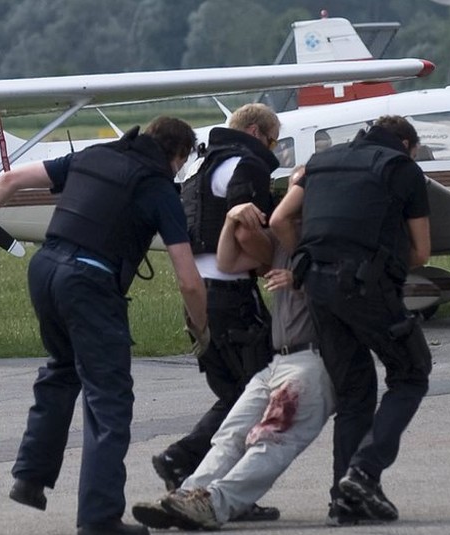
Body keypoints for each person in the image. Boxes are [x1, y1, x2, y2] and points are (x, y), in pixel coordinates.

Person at [0, 117, 208, 535]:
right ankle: (99, 518)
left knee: (63, 369)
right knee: (109, 402)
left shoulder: (95, 155)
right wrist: (203, 330)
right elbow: (187, 278)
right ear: (177, 155)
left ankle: (31, 477)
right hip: (89, 282)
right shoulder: (158, 186)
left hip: (45, 268)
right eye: (181, 163)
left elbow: (10, 179)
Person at [132, 172, 340, 530]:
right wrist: (230, 219)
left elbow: (352, 292)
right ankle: (188, 496)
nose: (286, 197)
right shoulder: (286, 244)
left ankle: (216, 504)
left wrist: (302, 279)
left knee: (270, 439)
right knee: (231, 432)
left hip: (314, 359)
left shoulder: (335, 243)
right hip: (280, 360)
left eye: (296, 190)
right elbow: (228, 262)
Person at [270, 115, 433, 525]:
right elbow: (422, 252)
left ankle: (344, 500)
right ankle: (364, 471)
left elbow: (278, 220)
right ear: (406, 144)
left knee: (354, 392)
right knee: (411, 372)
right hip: (367, 286)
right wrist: (385, 261)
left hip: (319, 289)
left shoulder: (320, 162)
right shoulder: (401, 168)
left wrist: (306, 266)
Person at [151, 103, 282, 521]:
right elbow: (246, 228)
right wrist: (275, 260)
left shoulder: (198, 168)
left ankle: (194, 472)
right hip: (232, 295)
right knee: (256, 395)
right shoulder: (248, 165)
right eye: (274, 140)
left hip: (198, 294)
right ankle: (190, 462)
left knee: (233, 393)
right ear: (259, 132)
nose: (273, 148)